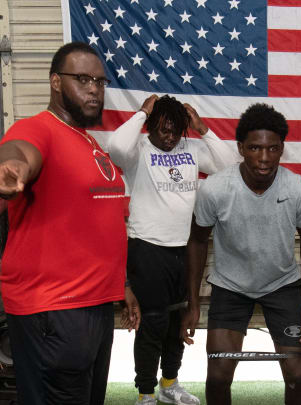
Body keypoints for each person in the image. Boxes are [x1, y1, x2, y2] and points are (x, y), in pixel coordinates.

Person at [0, 41, 140, 405]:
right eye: (82, 79)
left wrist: (121, 284)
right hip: (55, 308)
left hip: (93, 304)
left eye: (100, 81)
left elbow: (98, 221)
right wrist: (12, 167)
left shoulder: (87, 140)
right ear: (56, 82)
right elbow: (20, 151)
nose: (94, 88)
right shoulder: (39, 128)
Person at [181, 103, 301, 405]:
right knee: (218, 376)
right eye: (255, 148)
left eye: (273, 149)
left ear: (282, 149)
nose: (264, 158)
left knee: (298, 376)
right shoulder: (215, 189)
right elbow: (196, 242)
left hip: (283, 284)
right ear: (241, 148)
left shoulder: (296, 188)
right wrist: (192, 303)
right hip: (230, 286)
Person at [108, 94, 237, 405]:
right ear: (152, 126)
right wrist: (142, 113)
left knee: (179, 320)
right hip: (148, 247)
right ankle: (145, 393)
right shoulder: (138, 150)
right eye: (163, 129)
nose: (168, 137)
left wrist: (203, 129)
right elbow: (115, 146)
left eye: (175, 130)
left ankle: (170, 383)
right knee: (152, 322)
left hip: (187, 250)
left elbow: (231, 164)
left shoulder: (191, 149)